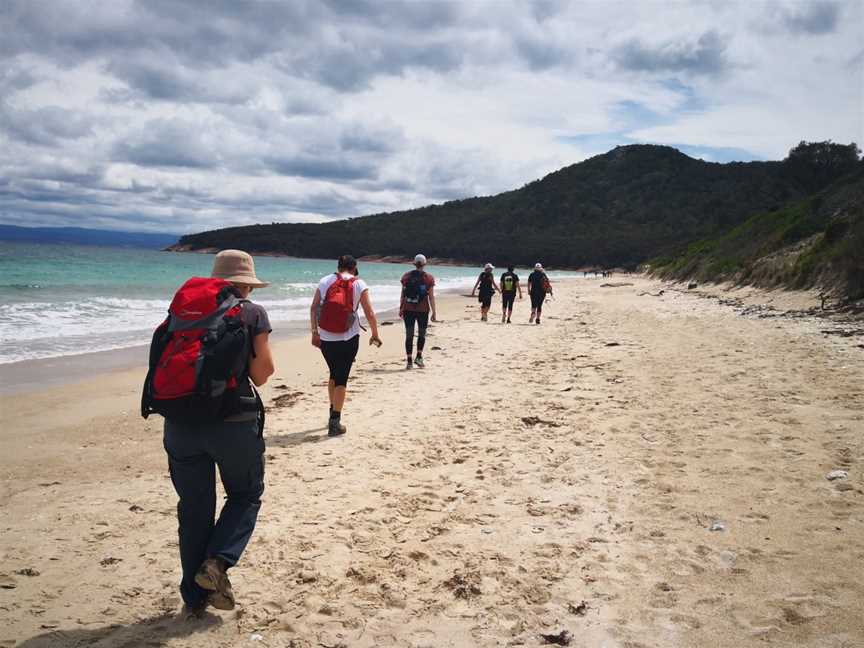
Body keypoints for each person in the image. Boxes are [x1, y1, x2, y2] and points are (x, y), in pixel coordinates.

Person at [161, 249, 275, 617]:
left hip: (179, 423)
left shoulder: (182, 311)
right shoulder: (251, 312)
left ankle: (194, 599)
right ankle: (217, 564)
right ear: (245, 285)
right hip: (232, 424)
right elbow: (262, 373)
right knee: (246, 495)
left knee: (193, 511)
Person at [310, 255, 382, 436]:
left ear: (338, 266)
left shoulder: (325, 280)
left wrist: (314, 332)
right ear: (354, 267)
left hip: (326, 338)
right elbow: (370, 313)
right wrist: (375, 334)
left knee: (334, 373)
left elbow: (313, 307)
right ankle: (335, 422)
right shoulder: (359, 284)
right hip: (349, 338)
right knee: (342, 378)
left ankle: (332, 410)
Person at [400, 253, 437, 369]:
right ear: (425, 264)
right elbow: (431, 297)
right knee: (421, 334)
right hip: (423, 310)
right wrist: (434, 311)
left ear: (414, 264)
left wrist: (401, 307)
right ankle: (419, 357)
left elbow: (402, 294)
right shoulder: (429, 278)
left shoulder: (406, 276)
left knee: (409, 335)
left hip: (408, 309)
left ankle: (409, 361)